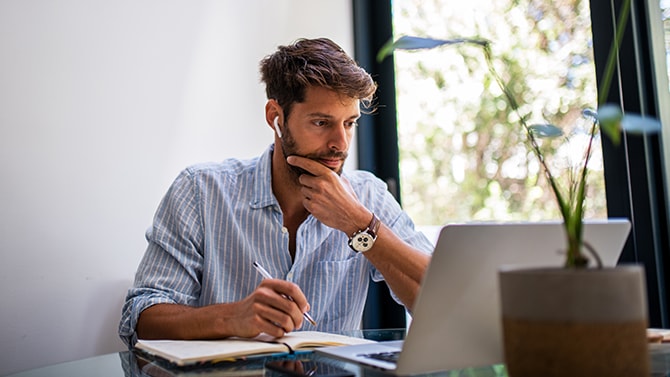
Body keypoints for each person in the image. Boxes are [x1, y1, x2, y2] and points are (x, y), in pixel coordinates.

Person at [118, 38, 433, 347]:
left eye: (349, 123)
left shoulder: (368, 197)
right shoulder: (201, 191)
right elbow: (140, 319)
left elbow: (441, 300)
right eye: (322, 122)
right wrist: (232, 318)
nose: (341, 143)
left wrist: (359, 224)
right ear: (275, 117)